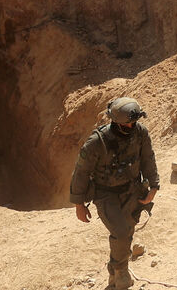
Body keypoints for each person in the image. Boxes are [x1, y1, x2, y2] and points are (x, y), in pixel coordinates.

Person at [70, 98, 160, 290]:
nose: (131, 126)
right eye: (127, 123)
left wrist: (154, 186)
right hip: (105, 195)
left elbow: (148, 158)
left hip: (132, 190)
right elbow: (81, 172)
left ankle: (114, 273)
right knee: (120, 232)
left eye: (133, 122)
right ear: (115, 121)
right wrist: (79, 204)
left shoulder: (140, 133)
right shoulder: (97, 142)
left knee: (128, 231)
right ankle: (121, 272)